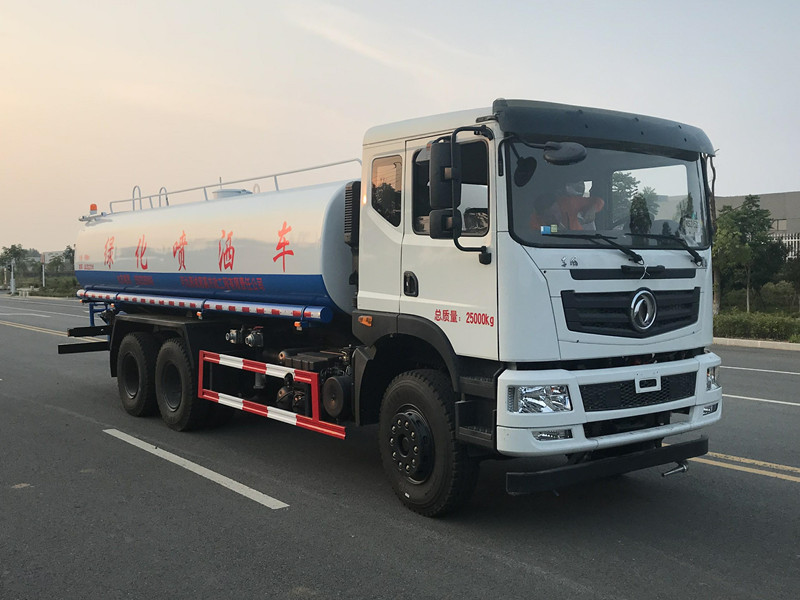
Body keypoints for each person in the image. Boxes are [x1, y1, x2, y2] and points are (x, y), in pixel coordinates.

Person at [531, 182, 604, 232]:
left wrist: (592, 209)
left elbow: (598, 201)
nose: (555, 218)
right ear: (540, 216)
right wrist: (554, 229)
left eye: (556, 212)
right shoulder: (535, 223)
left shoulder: (570, 203)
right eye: (549, 216)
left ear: (558, 204)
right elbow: (538, 233)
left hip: (582, 242)